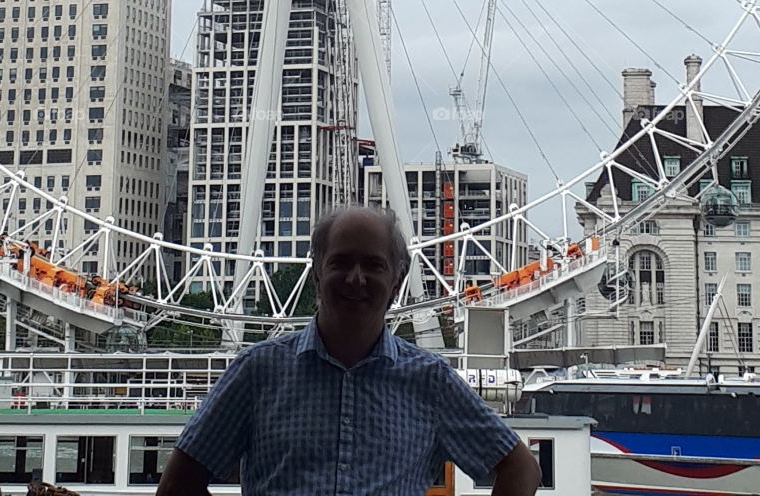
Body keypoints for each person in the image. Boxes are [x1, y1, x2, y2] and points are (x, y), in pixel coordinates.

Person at [157, 205, 540, 496]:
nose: (356, 279)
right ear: (317, 274)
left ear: (396, 281)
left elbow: (521, 469)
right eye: (340, 262)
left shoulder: (430, 381)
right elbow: (178, 483)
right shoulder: (257, 372)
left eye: (373, 265)